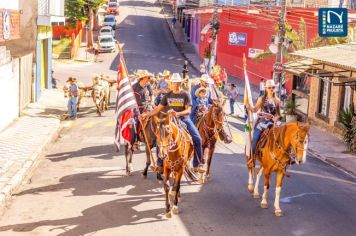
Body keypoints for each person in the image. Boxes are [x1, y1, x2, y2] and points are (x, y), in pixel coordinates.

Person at [141, 73, 206, 173]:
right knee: (161, 140)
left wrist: (177, 113)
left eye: (177, 82)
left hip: (184, 119)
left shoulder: (185, 94)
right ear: (171, 83)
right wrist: (147, 115)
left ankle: (197, 164)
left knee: (197, 139)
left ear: (180, 83)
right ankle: (160, 165)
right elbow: (158, 109)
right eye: (173, 83)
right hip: (169, 120)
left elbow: (188, 110)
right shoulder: (167, 95)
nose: (175, 84)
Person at [191, 74, 232, 144]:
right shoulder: (195, 88)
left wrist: (215, 103)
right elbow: (192, 100)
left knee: (217, 117)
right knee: (192, 120)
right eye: (205, 82)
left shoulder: (208, 90)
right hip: (196, 110)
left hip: (206, 110)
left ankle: (222, 133)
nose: (207, 84)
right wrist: (199, 106)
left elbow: (209, 100)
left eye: (207, 83)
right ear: (201, 81)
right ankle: (191, 135)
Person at [246, 79, 281, 155]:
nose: (271, 89)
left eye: (273, 87)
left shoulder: (277, 100)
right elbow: (255, 110)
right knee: (255, 138)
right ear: (266, 88)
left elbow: (278, 114)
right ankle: (252, 155)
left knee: (282, 135)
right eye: (269, 87)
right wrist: (249, 107)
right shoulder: (261, 99)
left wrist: (275, 118)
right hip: (262, 122)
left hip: (273, 123)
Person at [132, 70, 153, 148]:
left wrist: (151, 102)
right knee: (135, 122)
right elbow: (130, 98)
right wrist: (135, 105)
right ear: (143, 78)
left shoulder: (148, 85)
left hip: (147, 107)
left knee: (156, 118)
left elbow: (152, 95)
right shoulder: (134, 86)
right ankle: (135, 140)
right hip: (138, 108)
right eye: (148, 77)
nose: (149, 79)